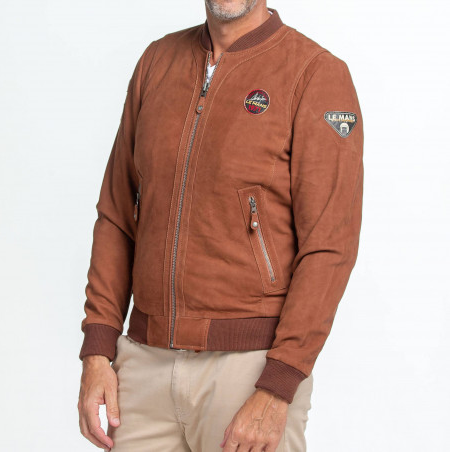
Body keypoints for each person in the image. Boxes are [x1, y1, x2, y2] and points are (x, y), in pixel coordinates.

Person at [77, 1, 364, 451]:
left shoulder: (315, 73)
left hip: (249, 371)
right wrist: (97, 350)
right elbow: (117, 212)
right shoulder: (157, 61)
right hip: (143, 367)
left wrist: (278, 384)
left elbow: (330, 246)